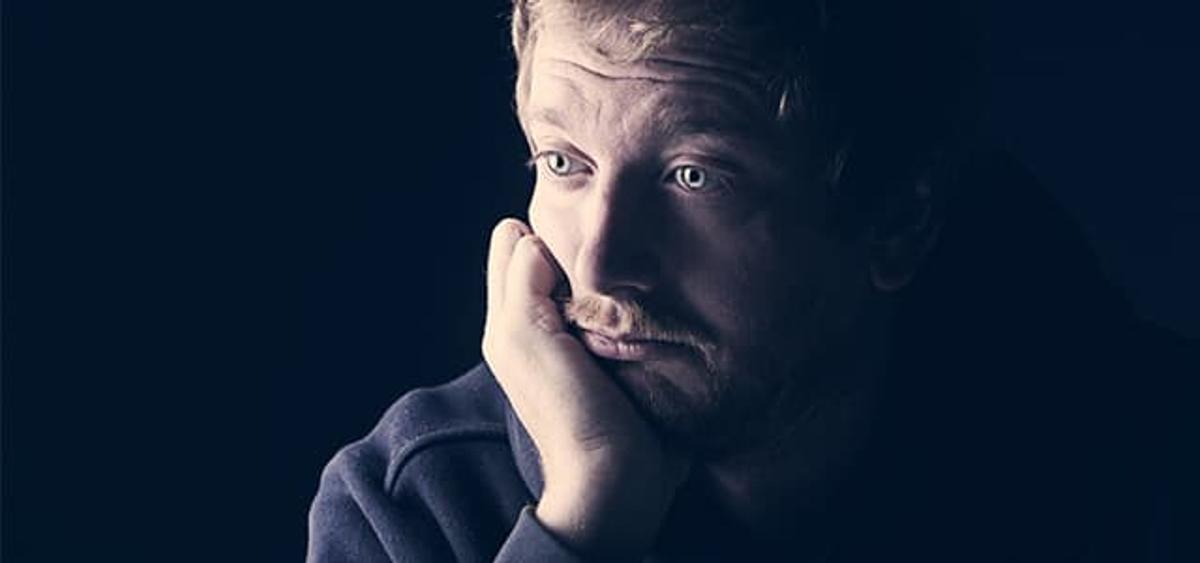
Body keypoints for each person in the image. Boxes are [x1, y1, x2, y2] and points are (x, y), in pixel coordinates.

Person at [307, 1, 1192, 561]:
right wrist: (583, 525)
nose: (603, 261)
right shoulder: (413, 511)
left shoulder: (1147, 462)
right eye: (564, 160)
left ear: (896, 223)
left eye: (694, 176)